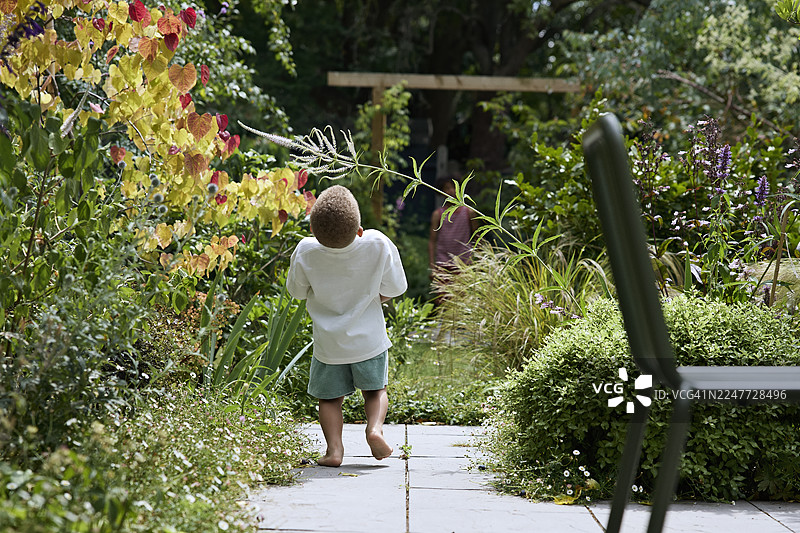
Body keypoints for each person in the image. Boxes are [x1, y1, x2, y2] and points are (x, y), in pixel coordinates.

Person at [286, 185, 408, 467]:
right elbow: (397, 286)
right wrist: (373, 296)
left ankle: (334, 451)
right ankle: (374, 429)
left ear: (314, 232)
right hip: (370, 341)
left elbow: (297, 292)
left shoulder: (306, 251)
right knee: (375, 391)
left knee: (329, 399)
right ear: (359, 230)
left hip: (329, 346)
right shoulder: (377, 243)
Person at [428, 175, 479, 285]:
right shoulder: (438, 215)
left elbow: (477, 238)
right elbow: (432, 241)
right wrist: (432, 267)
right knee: (442, 299)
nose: (451, 191)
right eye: (447, 188)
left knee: (463, 298)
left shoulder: (469, 212)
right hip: (443, 263)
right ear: (441, 192)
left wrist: (479, 263)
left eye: (454, 187)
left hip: (464, 263)